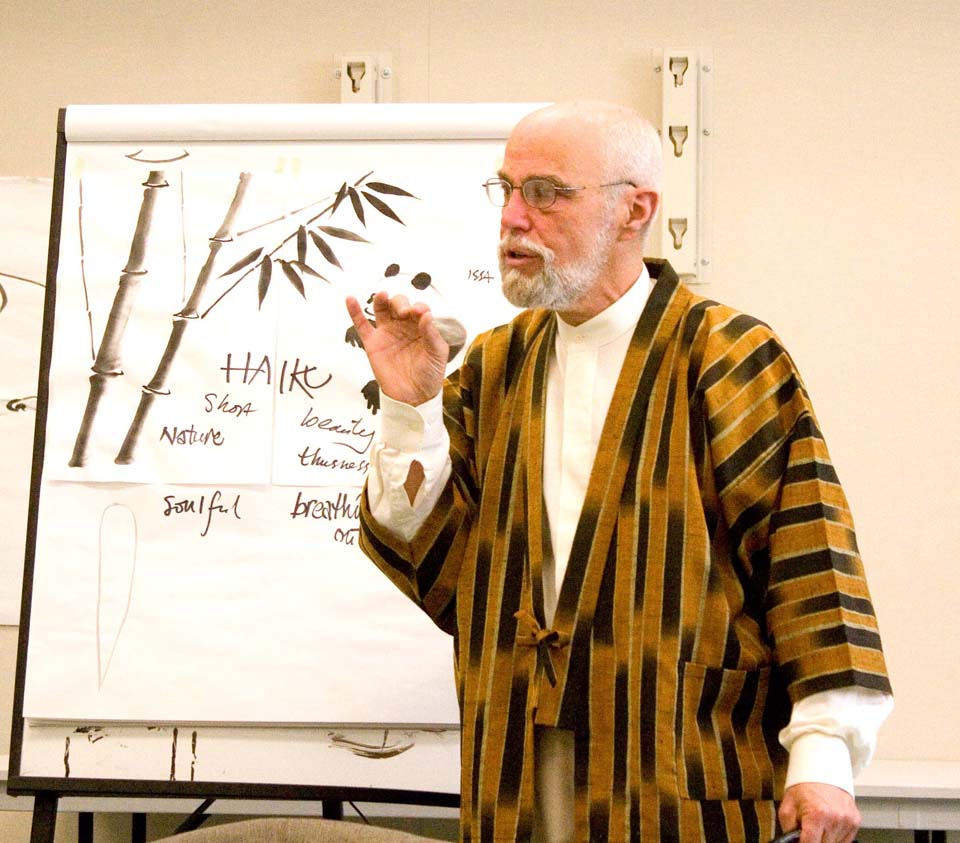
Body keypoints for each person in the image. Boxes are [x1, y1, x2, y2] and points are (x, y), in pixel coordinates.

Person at [345, 101, 892, 843]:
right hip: (516, 766)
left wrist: (825, 755)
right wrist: (410, 411)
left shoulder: (726, 356)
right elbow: (441, 571)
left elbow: (809, 558)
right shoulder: (496, 367)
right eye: (506, 189)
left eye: (545, 193)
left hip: (678, 764)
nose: (512, 218)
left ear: (635, 210)